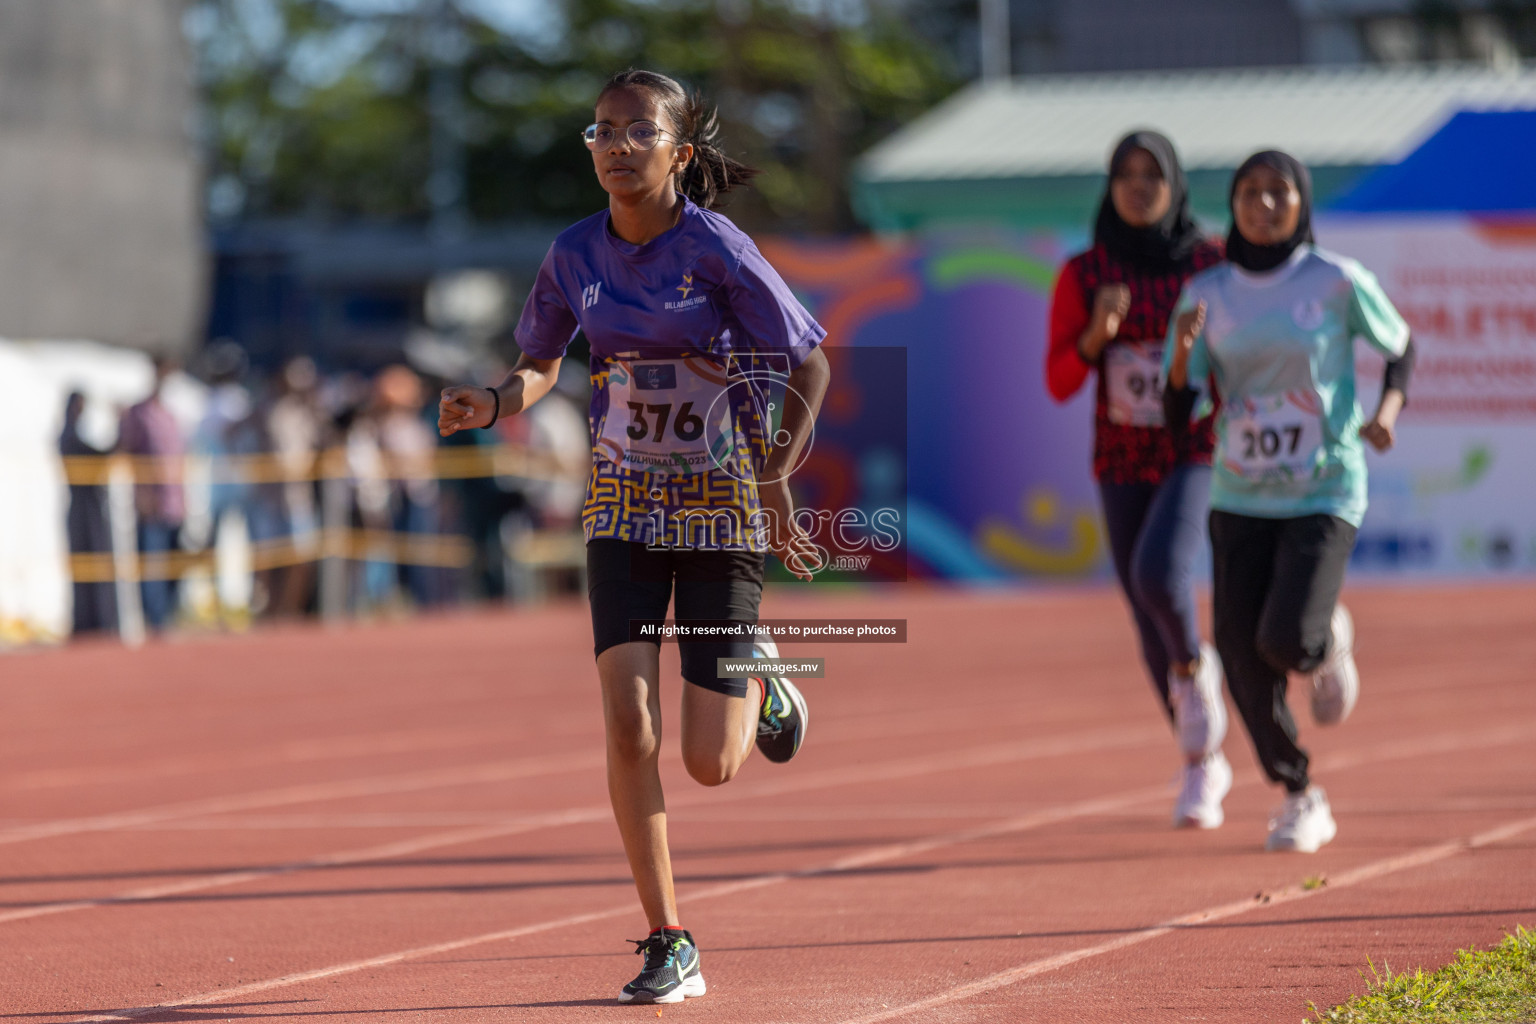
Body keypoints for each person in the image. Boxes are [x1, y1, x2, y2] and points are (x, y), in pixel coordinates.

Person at [437, 68, 830, 1003]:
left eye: (635, 132)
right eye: (600, 131)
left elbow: (808, 360)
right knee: (627, 722)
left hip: (719, 505)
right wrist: (495, 401)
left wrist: (774, 475)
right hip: (621, 503)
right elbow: (540, 359)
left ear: (679, 154)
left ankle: (764, 681)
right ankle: (669, 939)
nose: (613, 146)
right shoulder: (574, 254)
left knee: (711, 763)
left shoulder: (718, 249)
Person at [1163, 150, 1414, 853]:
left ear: (1301, 202)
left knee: (1285, 642)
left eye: (1279, 192)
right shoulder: (1206, 293)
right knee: (1242, 658)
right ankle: (1301, 795)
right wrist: (1183, 356)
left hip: (1324, 487)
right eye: (1249, 192)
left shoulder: (1335, 280)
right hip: (1239, 493)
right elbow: (1178, 412)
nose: (1264, 204)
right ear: (1233, 202)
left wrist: (1388, 410)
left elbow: (1401, 347)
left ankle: (1326, 640)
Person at [1046, 131, 1231, 828]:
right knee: (1143, 609)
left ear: (1175, 183)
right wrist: (1098, 334)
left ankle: (1194, 668)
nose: (1137, 185)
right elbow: (1060, 380)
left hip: (1195, 446)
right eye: (1124, 173)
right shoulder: (1086, 272)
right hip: (1120, 456)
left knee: (1161, 577)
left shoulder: (1213, 264)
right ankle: (1200, 764)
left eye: (1151, 173)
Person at [118, 357, 187, 632]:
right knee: (152, 566)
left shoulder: (169, 414)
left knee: (172, 565)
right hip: (151, 503)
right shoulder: (139, 413)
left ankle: (167, 617)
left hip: (174, 502)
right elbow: (128, 450)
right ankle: (154, 622)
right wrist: (142, 493)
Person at [59, 391, 118, 636]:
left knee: (95, 565)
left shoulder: (71, 434)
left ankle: (97, 623)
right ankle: (91, 624)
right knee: (89, 565)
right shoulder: (69, 436)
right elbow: (99, 455)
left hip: (88, 508)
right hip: (84, 510)